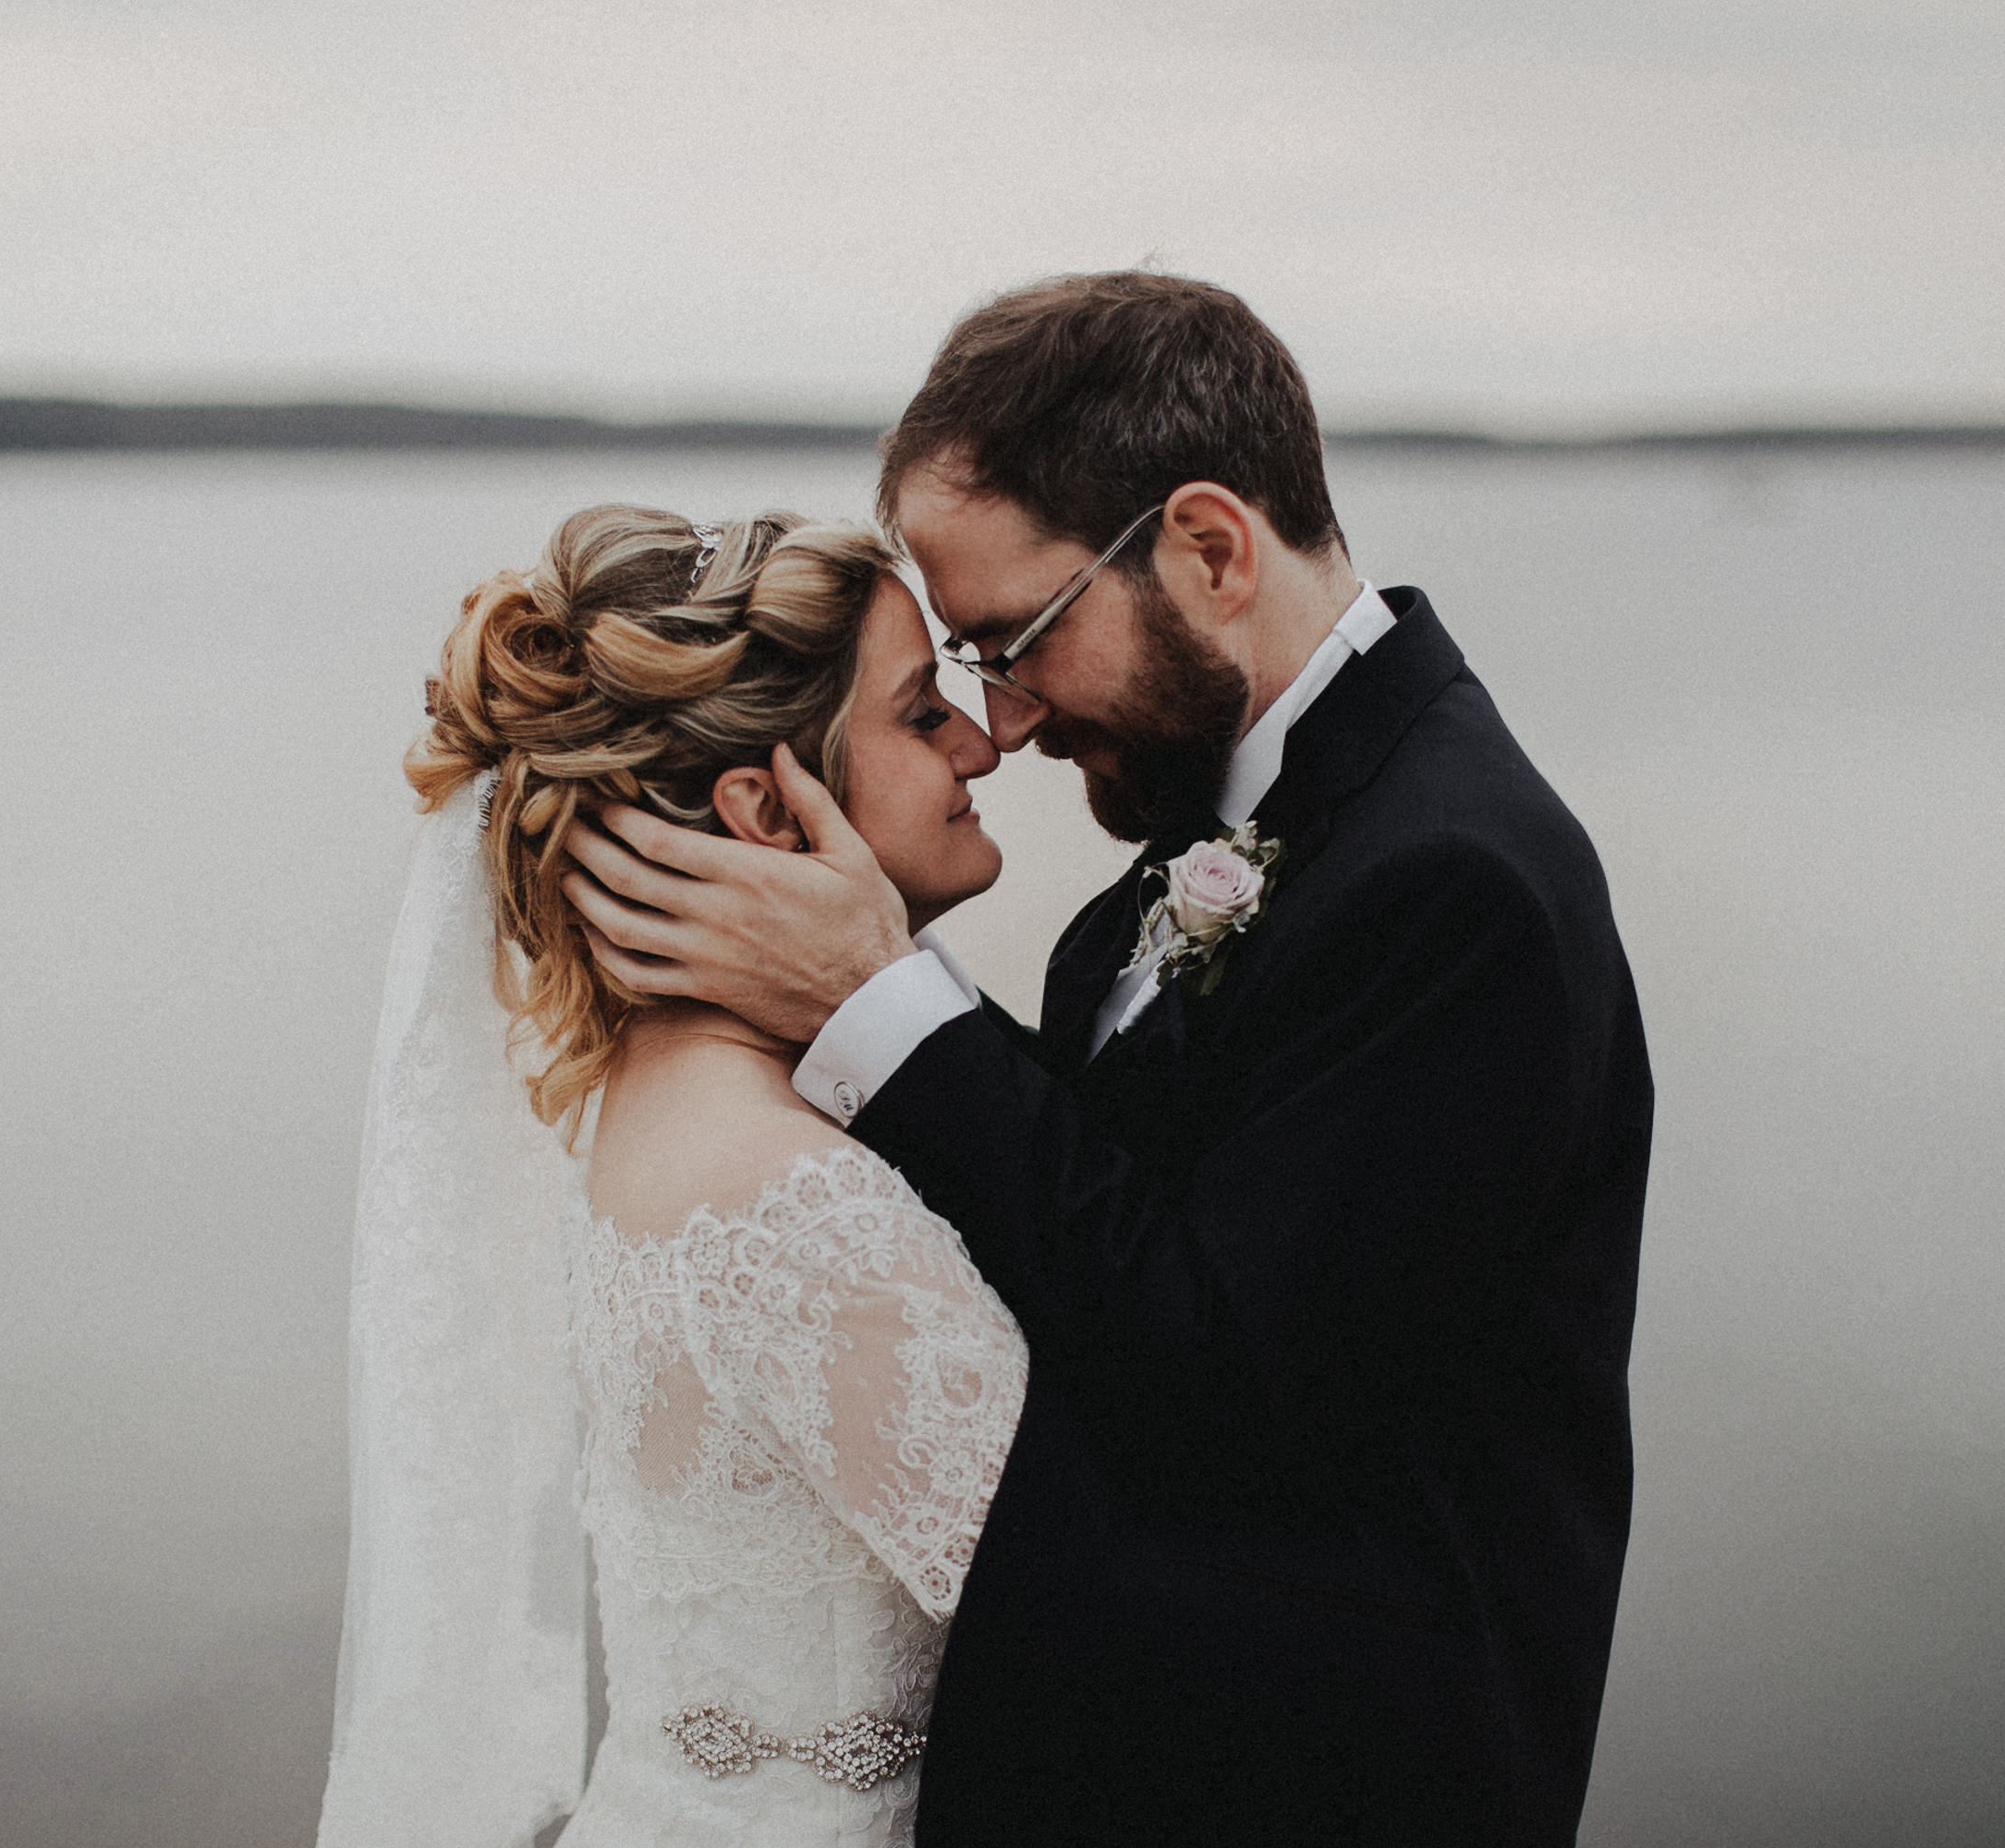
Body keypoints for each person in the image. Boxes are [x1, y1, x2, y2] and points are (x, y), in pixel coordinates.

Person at [562, 273, 1657, 1846]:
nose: (1000, 720)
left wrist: (883, 1006)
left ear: (1210, 551)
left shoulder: (1455, 882)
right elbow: (1103, 1232)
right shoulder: (1208, 837)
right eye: (957, 664)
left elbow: (1227, 1388)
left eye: (1016, 637)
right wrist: (858, 1001)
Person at [316, 505, 1028, 1848]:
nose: (984, 742)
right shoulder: (792, 1200)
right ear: (766, 808)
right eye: (924, 713)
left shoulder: (640, 1113)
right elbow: (1103, 1603)